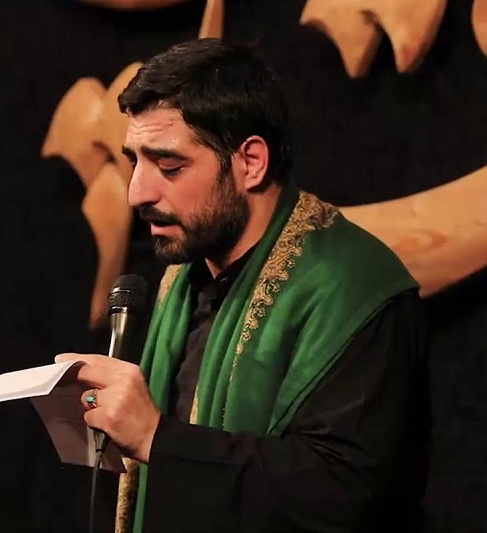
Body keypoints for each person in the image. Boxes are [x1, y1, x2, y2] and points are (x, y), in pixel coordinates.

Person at [56, 38, 430, 533]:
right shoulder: (181, 281)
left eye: (169, 166)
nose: (137, 193)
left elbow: (346, 492)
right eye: (135, 162)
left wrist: (156, 438)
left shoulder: (353, 287)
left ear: (251, 162)